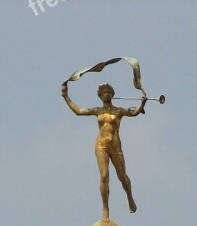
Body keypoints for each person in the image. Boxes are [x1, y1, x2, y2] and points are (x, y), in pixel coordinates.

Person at [62, 82, 146, 219]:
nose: (106, 94)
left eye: (108, 92)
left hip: (115, 146)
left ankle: (130, 197)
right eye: (103, 92)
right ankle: (105, 210)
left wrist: (142, 103)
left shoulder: (118, 111)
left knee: (122, 176)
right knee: (104, 176)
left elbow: (134, 112)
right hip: (101, 145)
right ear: (100, 96)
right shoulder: (97, 111)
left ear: (112, 94)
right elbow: (78, 111)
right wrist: (66, 96)